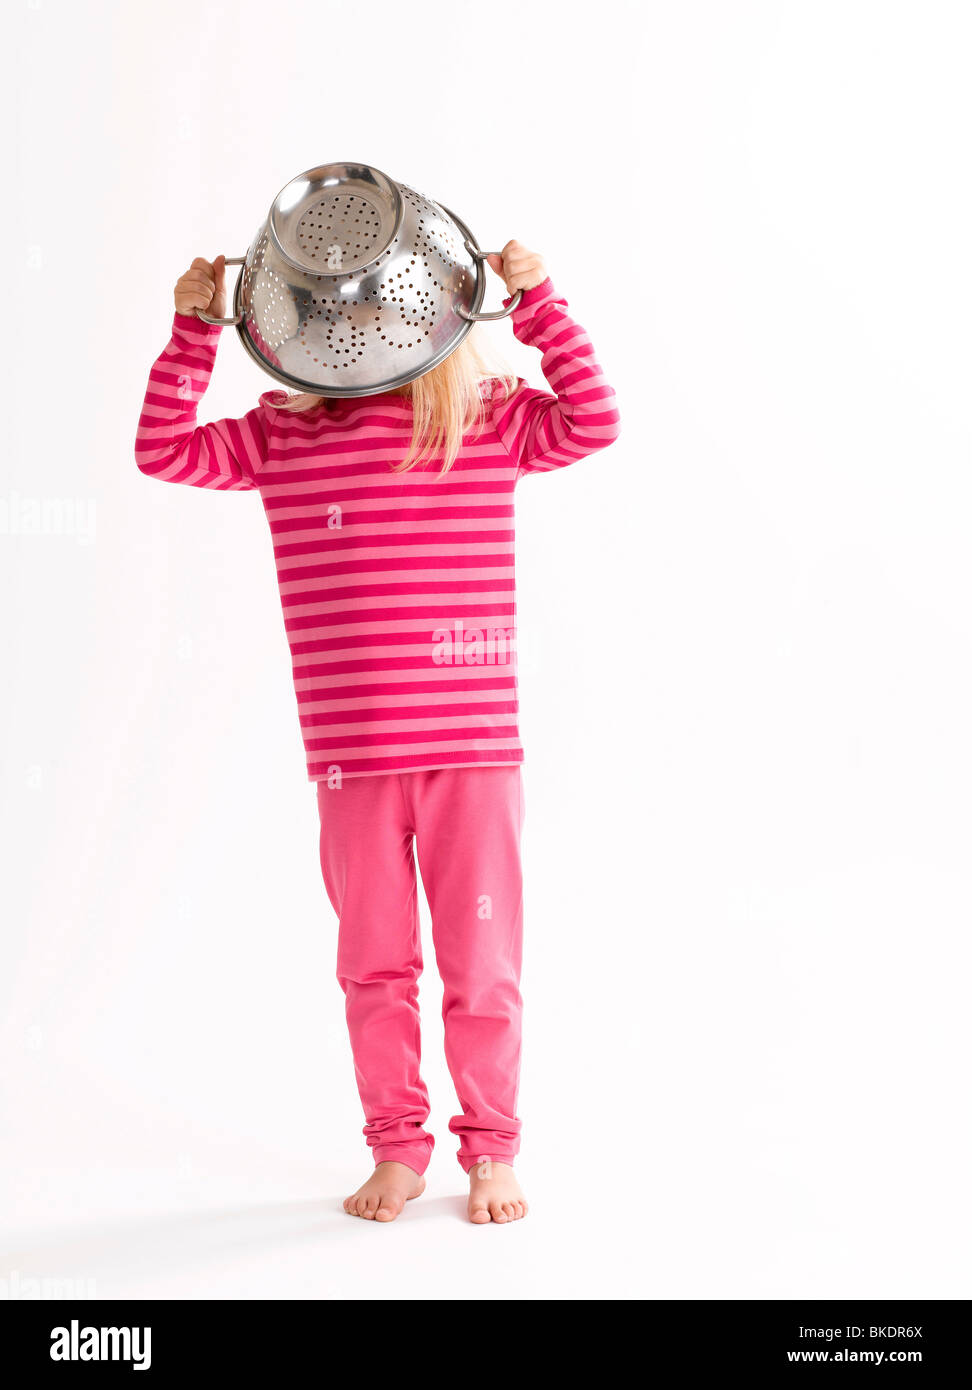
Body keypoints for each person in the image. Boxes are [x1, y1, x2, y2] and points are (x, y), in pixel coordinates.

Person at [135, 239, 621, 1223]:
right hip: (354, 764)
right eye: (332, 308)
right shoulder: (282, 433)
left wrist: (535, 301)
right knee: (374, 964)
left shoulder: (485, 420)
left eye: (378, 304)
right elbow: (162, 448)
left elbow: (596, 420)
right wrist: (194, 327)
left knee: (483, 968)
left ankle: (492, 1150)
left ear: (430, 308)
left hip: (471, 754)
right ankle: (398, 1146)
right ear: (294, 320)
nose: (357, 327)